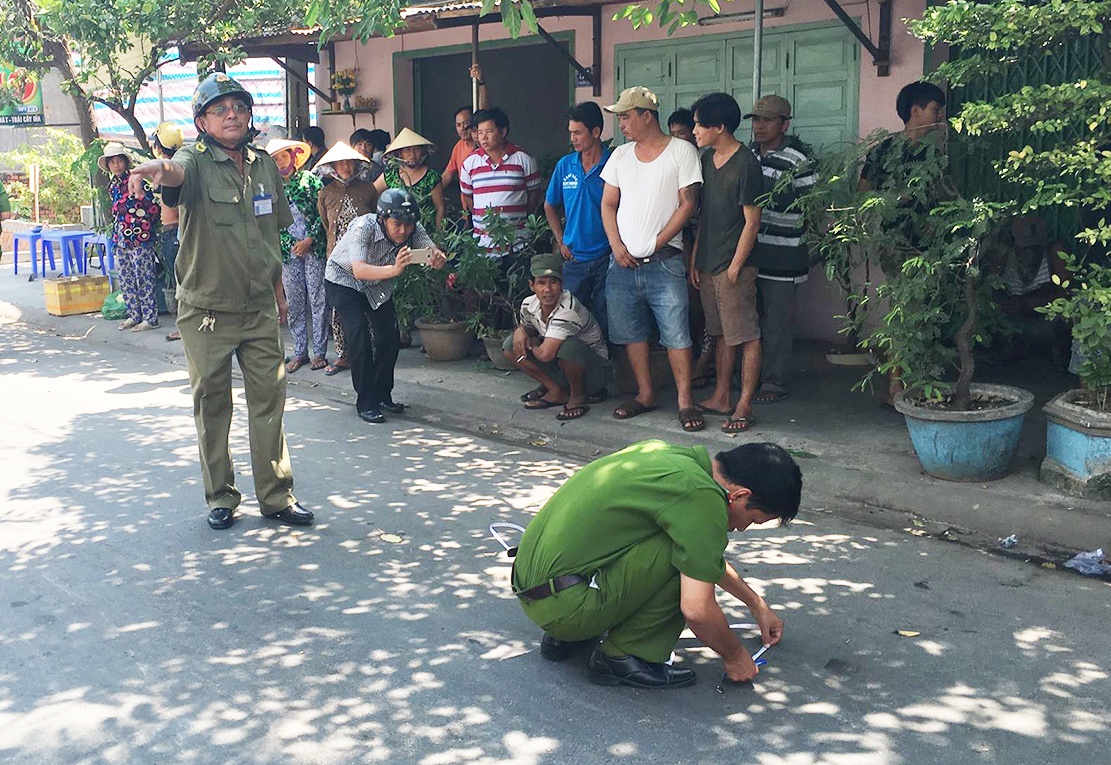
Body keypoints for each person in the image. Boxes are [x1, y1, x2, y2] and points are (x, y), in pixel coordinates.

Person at [128, 72, 313, 531]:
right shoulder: (192, 159)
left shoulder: (266, 165)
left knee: (269, 401)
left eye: (239, 107)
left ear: (249, 116)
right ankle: (221, 496)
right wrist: (159, 169)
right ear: (202, 121)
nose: (232, 114)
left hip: (258, 308)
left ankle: (276, 496)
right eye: (220, 109)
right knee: (213, 406)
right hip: (207, 311)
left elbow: (270, 232)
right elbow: (176, 174)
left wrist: (278, 291)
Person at [512, 439, 802, 689]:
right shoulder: (702, 497)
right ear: (740, 496)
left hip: (538, 589)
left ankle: (570, 636)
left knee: (683, 548)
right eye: (752, 520)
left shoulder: (667, 456)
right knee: (681, 559)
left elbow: (703, 555)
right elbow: (697, 610)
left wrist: (756, 605)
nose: (742, 529)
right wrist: (736, 657)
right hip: (565, 609)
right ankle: (622, 656)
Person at [600, 86, 704, 431]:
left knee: (677, 333)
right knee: (632, 333)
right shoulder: (620, 156)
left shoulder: (682, 151)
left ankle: (685, 401)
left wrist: (658, 240)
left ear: (647, 115)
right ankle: (645, 394)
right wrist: (616, 246)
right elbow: (608, 204)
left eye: (626, 117)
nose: (622, 124)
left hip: (664, 260)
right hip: (623, 262)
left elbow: (688, 203)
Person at [324, 188, 447, 423]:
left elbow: (431, 253)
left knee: (389, 338)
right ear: (382, 219)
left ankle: (382, 394)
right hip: (343, 280)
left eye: (408, 225)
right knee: (358, 335)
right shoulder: (363, 227)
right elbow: (358, 270)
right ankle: (366, 402)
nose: (403, 231)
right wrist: (395, 270)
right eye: (397, 224)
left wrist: (438, 258)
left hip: (378, 284)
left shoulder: (413, 229)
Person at [689, 92, 765, 434]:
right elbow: (703, 214)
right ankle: (721, 395)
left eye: (700, 125)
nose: (694, 131)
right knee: (719, 333)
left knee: (746, 335)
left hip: (735, 266)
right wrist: (695, 257)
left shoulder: (747, 164)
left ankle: (743, 403)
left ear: (720, 127)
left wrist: (736, 265)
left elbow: (752, 220)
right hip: (707, 261)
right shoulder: (706, 160)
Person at [746, 95, 817, 405]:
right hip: (750, 255)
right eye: (756, 120)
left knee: (777, 324)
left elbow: (813, 206)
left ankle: (775, 382)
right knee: (750, 322)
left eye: (767, 120)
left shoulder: (797, 161)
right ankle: (750, 377)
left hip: (784, 256)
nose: (759, 126)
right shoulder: (747, 156)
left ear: (784, 124)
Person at [505, 254, 611, 421]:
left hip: (594, 373)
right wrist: (520, 331)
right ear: (532, 286)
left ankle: (577, 397)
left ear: (561, 285)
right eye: (541, 283)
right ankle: (555, 390)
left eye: (553, 282)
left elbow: (546, 354)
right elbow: (529, 329)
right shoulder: (528, 304)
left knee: (567, 348)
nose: (547, 289)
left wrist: (532, 344)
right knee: (511, 345)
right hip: (560, 366)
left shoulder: (567, 309)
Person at [543, 102, 612, 335]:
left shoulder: (613, 164)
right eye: (570, 132)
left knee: (606, 316)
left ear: (595, 132)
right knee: (569, 317)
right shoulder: (565, 165)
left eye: (578, 132)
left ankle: (606, 367)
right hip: (574, 257)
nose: (573, 138)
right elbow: (550, 205)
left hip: (607, 256)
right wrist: (560, 240)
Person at [316, 141, 379, 376]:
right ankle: (344, 355)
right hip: (337, 260)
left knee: (367, 304)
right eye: (340, 163)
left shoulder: (368, 189)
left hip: (365, 256)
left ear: (356, 164)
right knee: (340, 309)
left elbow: (373, 217)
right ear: (332, 166)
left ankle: (369, 351)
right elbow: (326, 224)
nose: (345, 167)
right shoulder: (325, 192)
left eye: (349, 162)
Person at [268, 138, 328, 374]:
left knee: (318, 298)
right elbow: (270, 222)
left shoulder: (310, 181)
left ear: (294, 156)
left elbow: (322, 215)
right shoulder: (271, 187)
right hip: (288, 251)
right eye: (275, 159)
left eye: (284, 155)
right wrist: (292, 244)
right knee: (294, 301)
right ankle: (300, 351)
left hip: (314, 247)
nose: (281, 161)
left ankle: (320, 352)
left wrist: (309, 240)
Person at [460, 107, 542, 254]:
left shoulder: (523, 159)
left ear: (503, 132)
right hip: (483, 246)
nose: (483, 137)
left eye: (489, 131)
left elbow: (534, 193)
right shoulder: (469, 163)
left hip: (518, 244)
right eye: (480, 132)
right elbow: (468, 197)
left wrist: (517, 216)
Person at [101, 142, 161, 332]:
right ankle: (134, 315)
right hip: (122, 239)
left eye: (120, 161)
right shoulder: (113, 187)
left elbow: (153, 207)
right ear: (108, 166)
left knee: (144, 277)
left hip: (141, 237)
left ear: (126, 163)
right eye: (113, 162)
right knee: (126, 278)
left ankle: (150, 318)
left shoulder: (138, 181)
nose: (117, 165)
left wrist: (142, 226)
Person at [151, 121, 185, 341]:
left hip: (174, 232)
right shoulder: (180, 167)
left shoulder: (168, 170)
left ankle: (183, 327)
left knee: (180, 282)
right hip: (175, 231)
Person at [374, 127, 444, 230]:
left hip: (425, 232)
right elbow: (370, 194)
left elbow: (440, 208)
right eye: (407, 150)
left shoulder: (432, 177)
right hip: (397, 232)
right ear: (400, 153)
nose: (412, 154)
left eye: (416, 149)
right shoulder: (391, 174)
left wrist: (439, 235)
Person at [440, 64, 491, 189]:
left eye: (465, 124)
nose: (462, 128)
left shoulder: (484, 142)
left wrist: (481, 82)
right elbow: (447, 175)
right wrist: (430, 195)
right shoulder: (459, 147)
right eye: (458, 125)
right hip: (467, 205)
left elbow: (486, 113)